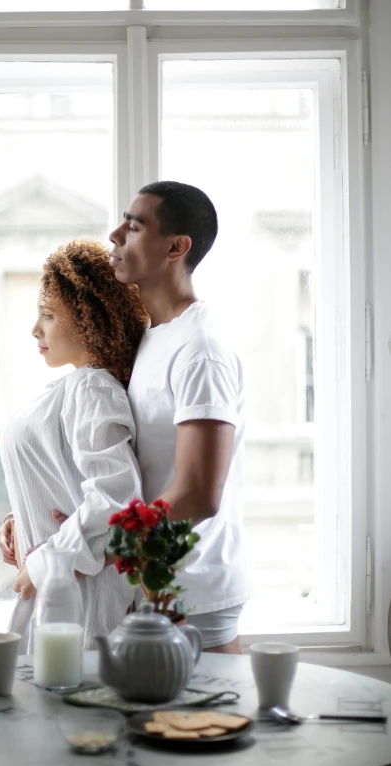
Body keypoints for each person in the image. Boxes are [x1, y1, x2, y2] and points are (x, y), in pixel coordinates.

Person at [106, 181, 252, 653]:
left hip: (194, 588)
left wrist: (99, 542)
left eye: (132, 226)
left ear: (175, 246)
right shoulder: (155, 336)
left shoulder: (200, 351)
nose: (114, 235)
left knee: (207, 725)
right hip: (157, 581)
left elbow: (198, 493)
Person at [0, 238, 149, 652]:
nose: (36, 329)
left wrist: (48, 564)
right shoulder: (75, 388)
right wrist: (23, 515)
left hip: (80, 602)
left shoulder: (92, 388)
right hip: (64, 594)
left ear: (88, 320)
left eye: (48, 316)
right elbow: (69, 478)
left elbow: (116, 498)